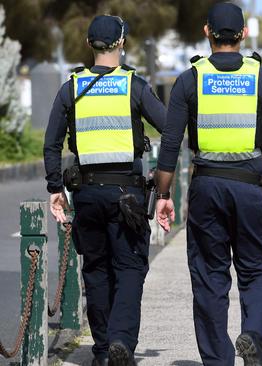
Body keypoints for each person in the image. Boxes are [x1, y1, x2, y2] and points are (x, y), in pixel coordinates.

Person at [154, 3, 262, 366]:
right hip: (250, 187)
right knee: (259, 269)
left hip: (206, 187)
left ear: (207, 33)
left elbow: (170, 143)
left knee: (208, 276)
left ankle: (218, 360)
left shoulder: (190, 79)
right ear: (243, 34)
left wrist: (162, 194)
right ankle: (251, 332)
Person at [44, 15, 166, 366]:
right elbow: (170, 127)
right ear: (122, 43)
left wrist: (55, 188)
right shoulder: (134, 85)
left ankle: (101, 351)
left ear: (88, 45)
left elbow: (51, 144)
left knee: (95, 270)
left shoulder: (71, 87)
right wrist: (163, 173)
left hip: (86, 195)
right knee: (129, 269)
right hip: (127, 195)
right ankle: (122, 342)